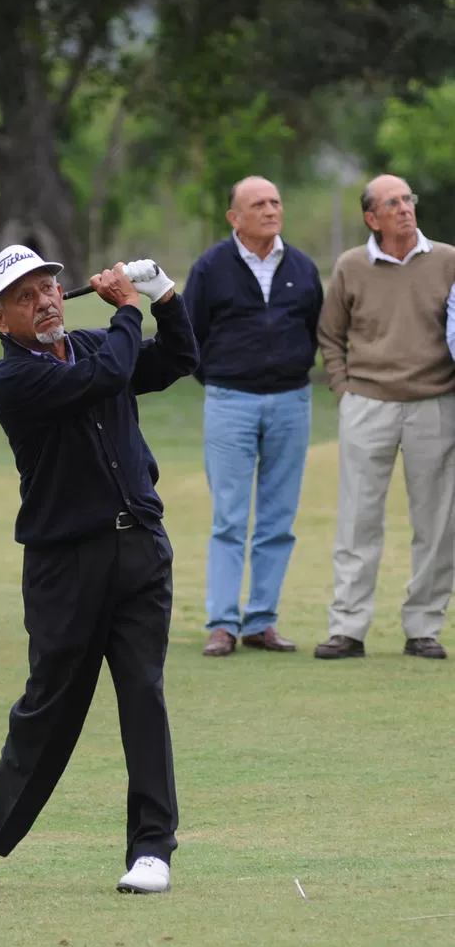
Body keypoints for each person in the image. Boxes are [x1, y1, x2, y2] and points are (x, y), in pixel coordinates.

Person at [0, 244, 199, 895]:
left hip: (140, 549)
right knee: (51, 708)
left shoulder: (91, 346)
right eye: (27, 297)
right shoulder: (15, 380)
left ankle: (152, 849)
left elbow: (178, 360)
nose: (46, 300)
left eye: (50, 288)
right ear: (0, 320)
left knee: (143, 694)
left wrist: (165, 296)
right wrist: (124, 309)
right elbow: (107, 376)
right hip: (65, 565)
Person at [182, 177, 324, 658]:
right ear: (234, 218)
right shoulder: (210, 268)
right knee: (229, 517)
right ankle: (222, 623)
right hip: (229, 401)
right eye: (257, 204)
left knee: (278, 519)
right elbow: (189, 334)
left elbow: (313, 327)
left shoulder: (302, 267)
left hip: (291, 402)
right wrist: (220, 380)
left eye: (275, 202)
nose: (270, 210)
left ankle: (261, 621)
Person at [316, 175, 455, 660]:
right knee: (357, 520)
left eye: (408, 199)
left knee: (437, 523)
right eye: (392, 202)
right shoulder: (351, 266)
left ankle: (423, 628)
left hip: (434, 403)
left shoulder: (448, 260)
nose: (405, 208)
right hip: (367, 404)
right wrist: (344, 389)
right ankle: (348, 628)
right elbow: (331, 336)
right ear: (371, 218)